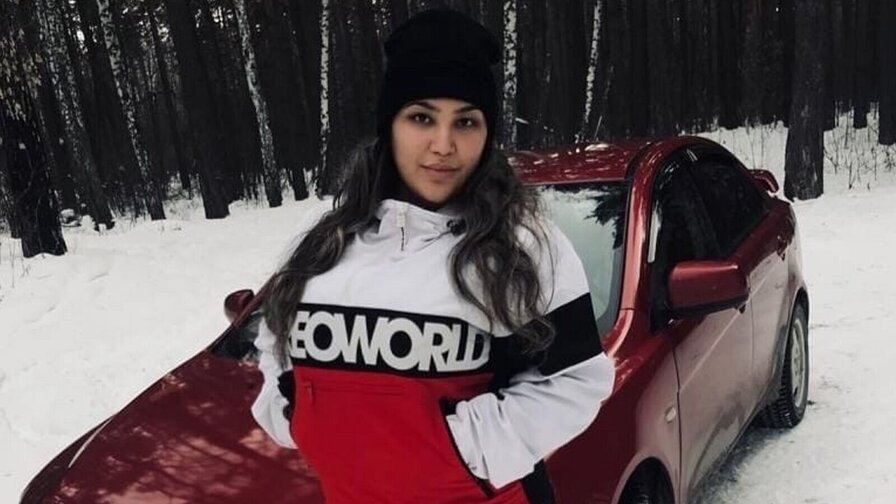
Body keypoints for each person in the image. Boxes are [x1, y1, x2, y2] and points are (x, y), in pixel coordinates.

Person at [251, 8, 614, 504]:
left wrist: (464, 448)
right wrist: (294, 413)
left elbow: (577, 380)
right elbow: (274, 346)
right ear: (390, 125)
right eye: (421, 117)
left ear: (487, 134)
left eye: (465, 122)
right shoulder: (323, 245)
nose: (444, 145)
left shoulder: (522, 248)